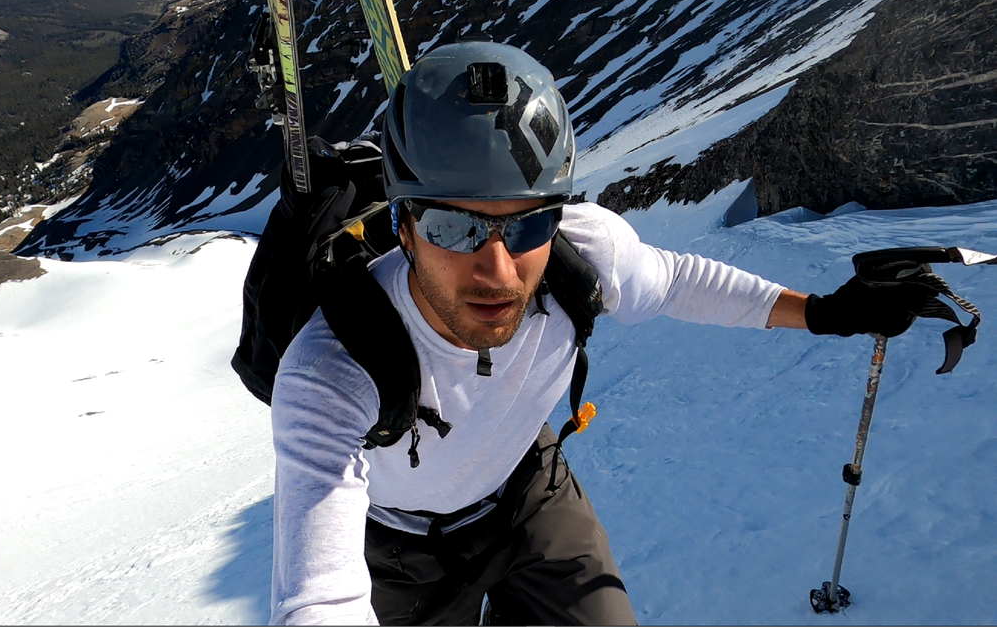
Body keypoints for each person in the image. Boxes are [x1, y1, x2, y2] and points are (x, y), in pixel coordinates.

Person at [267, 41, 927, 625]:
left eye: (527, 224)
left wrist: (823, 312)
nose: (498, 270)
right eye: (453, 227)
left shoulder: (581, 258)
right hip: (398, 550)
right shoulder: (333, 369)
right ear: (404, 227)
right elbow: (320, 597)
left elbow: (678, 280)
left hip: (526, 489)